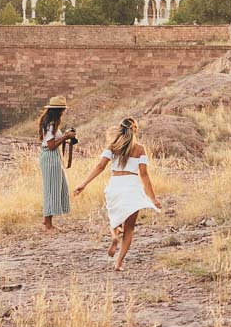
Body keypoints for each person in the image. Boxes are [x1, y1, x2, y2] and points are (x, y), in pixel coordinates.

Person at [73, 116, 161, 270]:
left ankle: (114, 236)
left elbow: (100, 166)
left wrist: (84, 184)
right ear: (135, 131)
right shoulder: (140, 149)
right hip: (132, 186)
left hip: (116, 185)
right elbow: (144, 174)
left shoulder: (112, 146)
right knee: (130, 228)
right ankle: (119, 262)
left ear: (120, 129)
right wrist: (152, 197)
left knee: (115, 219)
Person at [37, 96, 76, 231]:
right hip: (50, 155)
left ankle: (48, 221)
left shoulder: (51, 123)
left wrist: (65, 135)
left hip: (52, 156)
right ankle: (47, 223)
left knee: (57, 186)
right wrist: (65, 137)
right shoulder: (51, 124)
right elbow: (51, 145)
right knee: (51, 188)